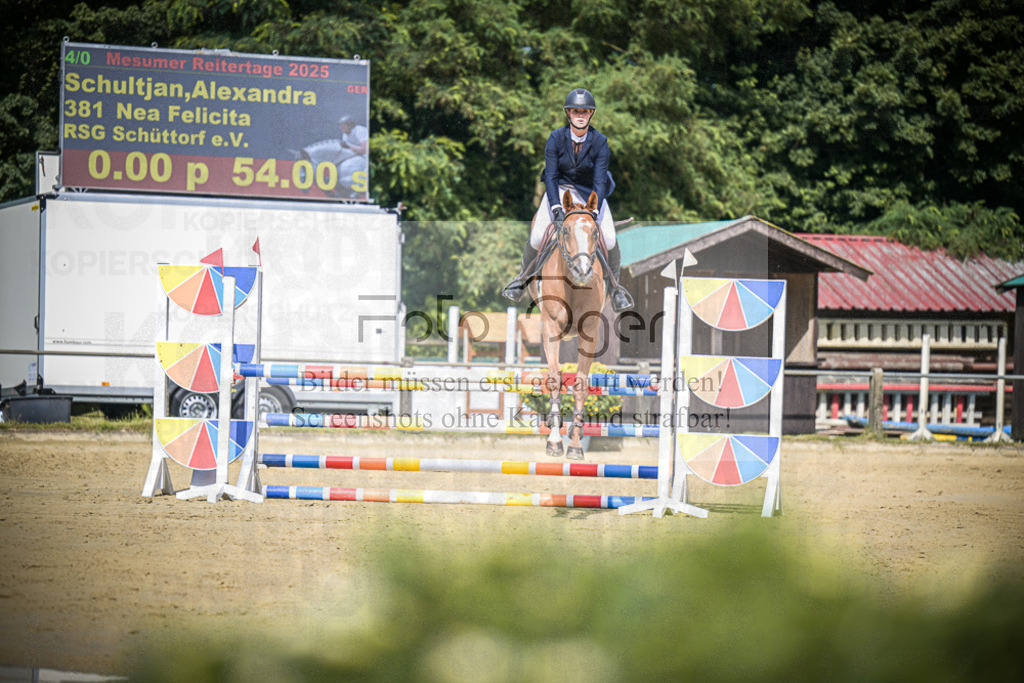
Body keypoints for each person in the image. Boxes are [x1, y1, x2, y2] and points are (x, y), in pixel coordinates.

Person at [502, 88, 632, 312]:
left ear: (591, 114)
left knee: (609, 238)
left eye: (585, 111)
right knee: (536, 236)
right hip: (559, 190)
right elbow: (551, 176)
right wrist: (555, 207)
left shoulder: (600, 142)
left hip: (591, 193)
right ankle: (521, 280)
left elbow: (600, 181)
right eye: (575, 111)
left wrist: (594, 209)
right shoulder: (555, 138)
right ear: (568, 113)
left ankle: (616, 289)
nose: (580, 115)